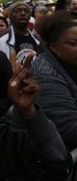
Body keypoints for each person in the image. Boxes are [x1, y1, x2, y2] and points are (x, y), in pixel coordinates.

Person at [29, 11, 77, 150]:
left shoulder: (70, 64)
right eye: (73, 43)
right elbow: (69, 128)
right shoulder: (45, 74)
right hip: (47, 162)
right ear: (54, 47)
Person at [0, 2, 42, 68]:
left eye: (26, 11)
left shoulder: (38, 40)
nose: (23, 13)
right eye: (17, 11)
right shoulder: (1, 40)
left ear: (29, 17)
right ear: (10, 17)